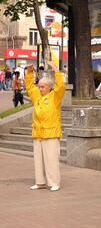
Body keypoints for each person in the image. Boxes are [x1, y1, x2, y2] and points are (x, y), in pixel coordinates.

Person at [25, 62, 65, 192]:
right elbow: (30, 88)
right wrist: (30, 72)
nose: (40, 89)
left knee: (51, 159)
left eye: (43, 87)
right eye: (40, 86)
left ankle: (54, 182)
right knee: (39, 160)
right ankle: (40, 182)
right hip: (38, 133)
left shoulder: (55, 97)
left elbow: (61, 87)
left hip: (51, 133)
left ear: (49, 87)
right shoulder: (37, 96)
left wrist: (56, 71)